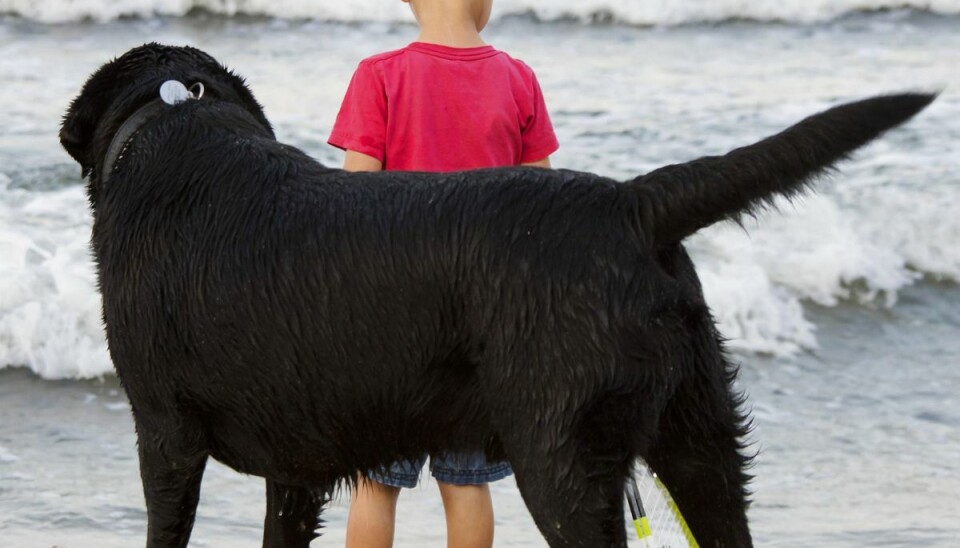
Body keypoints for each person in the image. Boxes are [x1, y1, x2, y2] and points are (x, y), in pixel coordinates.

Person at [327, 0, 559, 546]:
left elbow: (352, 207)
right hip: (481, 319)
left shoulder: (379, 74)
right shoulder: (518, 78)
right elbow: (545, 210)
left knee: (373, 482)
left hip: (394, 316)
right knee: (466, 485)